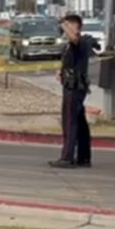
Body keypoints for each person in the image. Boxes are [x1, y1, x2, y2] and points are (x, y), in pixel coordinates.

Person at [50, 14, 94, 169]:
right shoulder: (70, 45)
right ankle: (83, 157)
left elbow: (74, 38)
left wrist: (63, 23)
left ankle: (67, 157)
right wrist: (61, 72)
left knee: (69, 122)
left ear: (77, 26)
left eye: (70, 25)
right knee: (80, 122)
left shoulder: (80, 42)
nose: (66, 28)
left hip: (74, 88)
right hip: (71, 85)